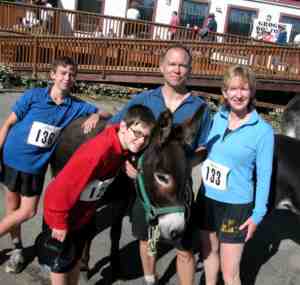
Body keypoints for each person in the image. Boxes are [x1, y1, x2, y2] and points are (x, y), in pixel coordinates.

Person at [109, 45, 212, 285]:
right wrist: (124, 160)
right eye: (172, 64)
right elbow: (116, 129)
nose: (177, 70)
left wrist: (188, 162)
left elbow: (205, 146)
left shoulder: (200, 108)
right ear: (162, 67)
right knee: (149, 240)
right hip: (146, 190)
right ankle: (150, 280)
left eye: (183, 65)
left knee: (185, 248)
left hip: (179, 192)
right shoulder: (144, 99)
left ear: (190, 70)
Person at [0, 56, 110, 274]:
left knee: (27, 211)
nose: (67, 78)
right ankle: (17, 250)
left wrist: (97, 115)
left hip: (35, 167)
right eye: (62, 73)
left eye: (71, 74)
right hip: (11, 157)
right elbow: (8, 123)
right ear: (52, 75)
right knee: (12, 209)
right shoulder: (33, 96)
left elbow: (105, 112)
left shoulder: (76, 106)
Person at [38, 104, 156, 285]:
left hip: (82, 216)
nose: (141, 141)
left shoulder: (121, 145)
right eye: (137, 133)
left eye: (146, 137)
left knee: (74, 260)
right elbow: (59, 189)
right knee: (60, 265)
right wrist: (59, 223)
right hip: (63, 218)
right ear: (124, 127)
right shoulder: (97, 153)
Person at [197, 65, 274, 285]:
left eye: (244, 89)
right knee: (209, 254)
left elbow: (265, 176)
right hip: (207, 198)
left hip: (236, 206)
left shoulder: (263, 131)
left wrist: (258, 215)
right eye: (233, 88)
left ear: (252, 92)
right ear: (224, 92)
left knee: (230, 274)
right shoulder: (215, 118)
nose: (238, 94)